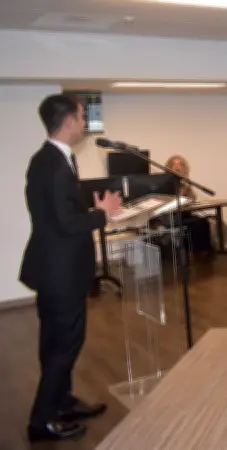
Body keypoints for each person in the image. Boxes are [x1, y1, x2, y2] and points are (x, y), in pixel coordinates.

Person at [19, 94, 122, 442]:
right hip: (60, 272)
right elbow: (65, 223)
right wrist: (102, 213)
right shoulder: (53, 163)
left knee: (57, 344)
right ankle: (42, 420)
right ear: (68, 122)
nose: (85, 123)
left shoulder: (51, 159)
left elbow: (58, 214)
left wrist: (91, 211)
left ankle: (61, 401)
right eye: (82, 116)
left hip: (55, 269)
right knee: (63, 345)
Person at [164, 155, 214, 254]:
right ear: (169, 167)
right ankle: (193, 250)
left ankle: (205, 250)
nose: (177, 167)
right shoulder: (166, 183)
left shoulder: (185, 182)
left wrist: (186, 185)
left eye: (180, 164)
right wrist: (183, 188)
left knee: (203, 221)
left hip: (184, 213)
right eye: (174, 164)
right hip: (171, 217)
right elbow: (174, 201)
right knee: (196, 223)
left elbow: (192, 198)